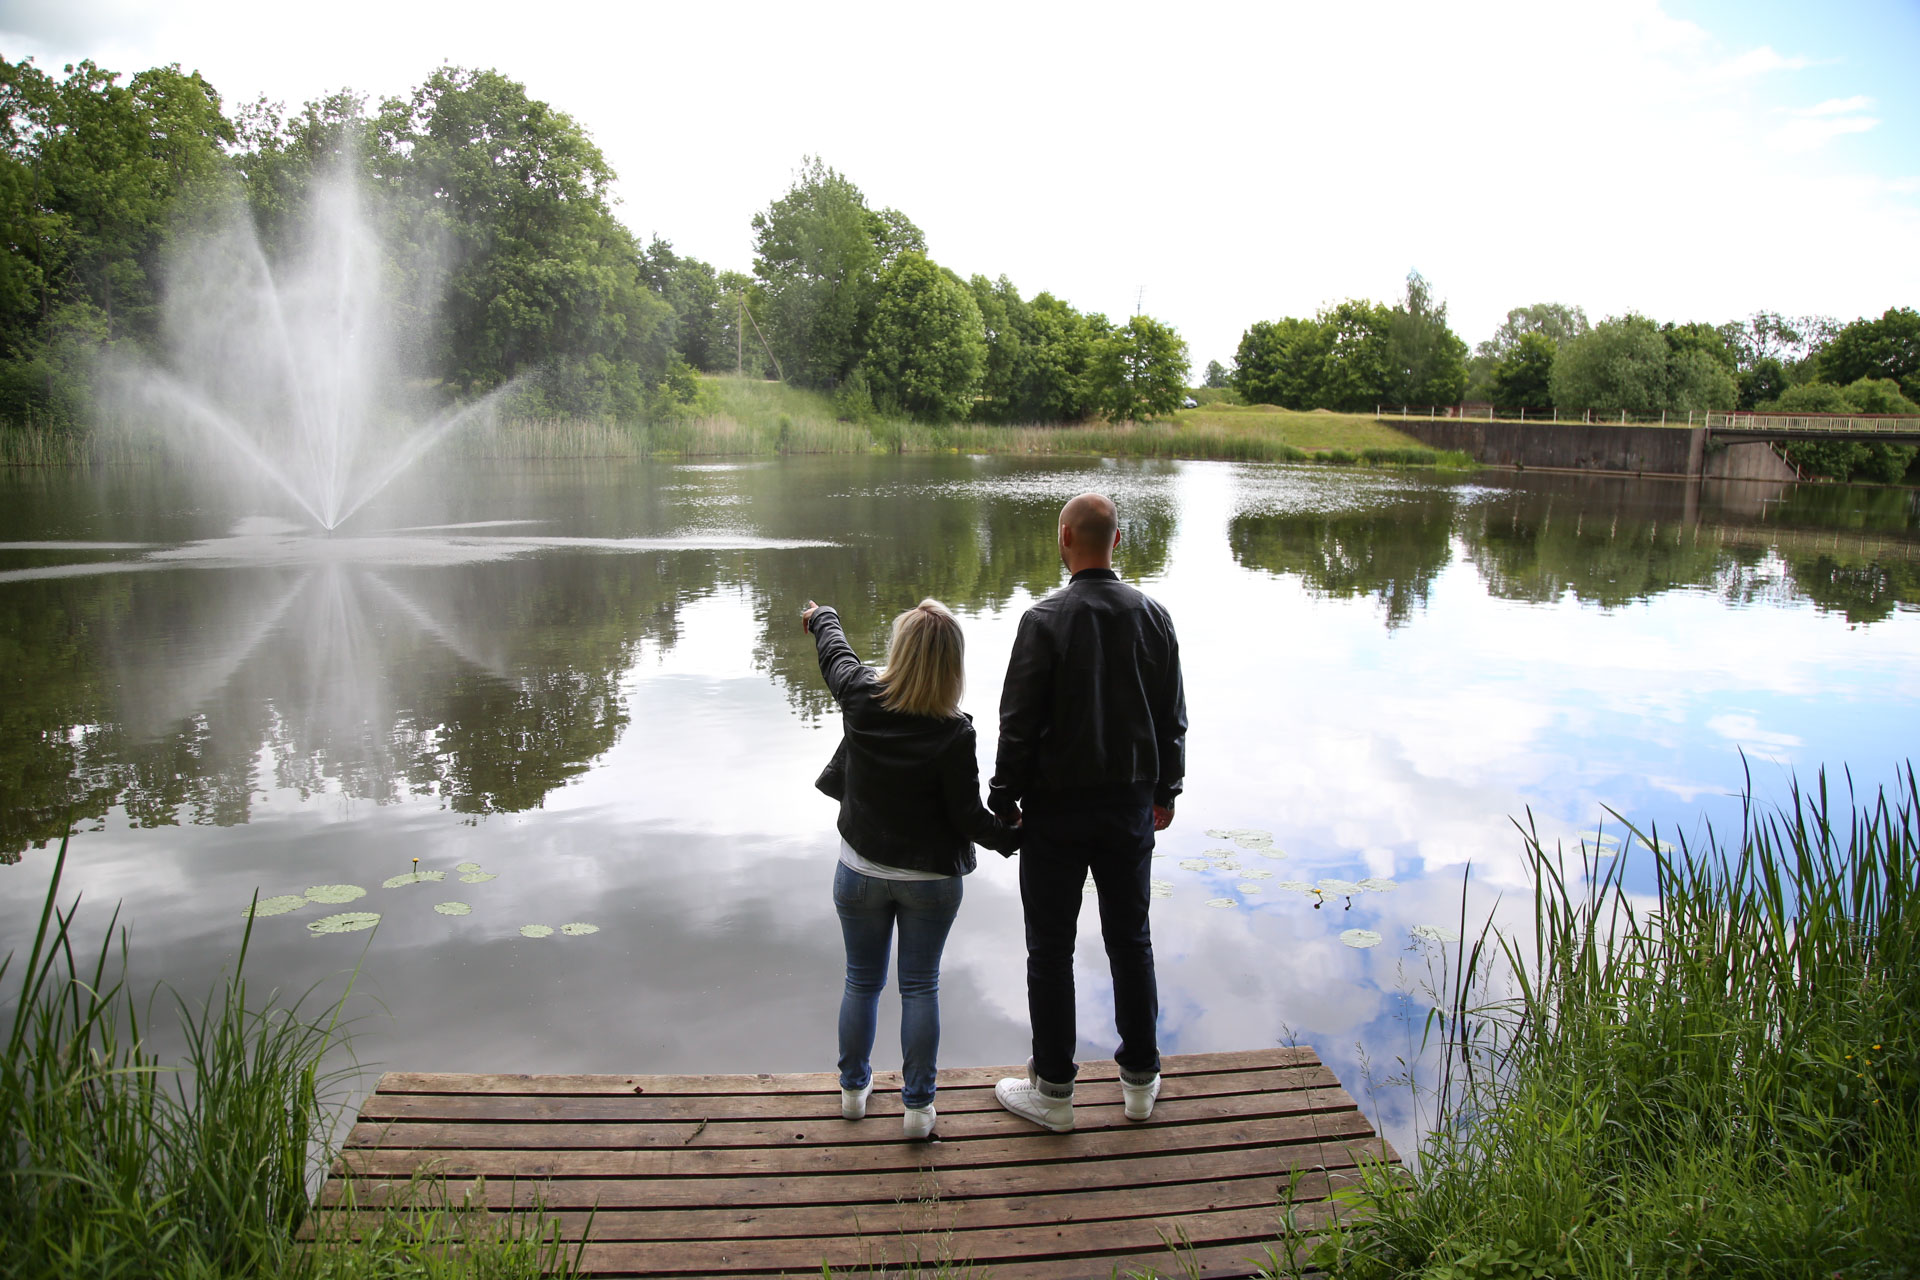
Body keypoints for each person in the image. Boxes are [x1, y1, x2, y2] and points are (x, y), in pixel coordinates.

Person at [988, 492, 1187, 1132]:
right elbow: (1172, 719)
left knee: (1050, 950)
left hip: (1056, 814)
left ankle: (1053, 1092)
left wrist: (1002, 797)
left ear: (1064, 538)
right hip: (1129, 807)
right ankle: (1139, 1081)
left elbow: (1017, 724)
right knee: (1132, 941)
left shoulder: (1043, 620)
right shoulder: (1155, 618)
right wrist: (1167, 792)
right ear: (1117, 541)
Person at [802, 596, 1021, 1141]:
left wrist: (822, 615)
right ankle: (918, 1110)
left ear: (899, 651)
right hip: (930, 883)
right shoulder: (954, 733)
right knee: (919, 988)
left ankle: (853, 1093)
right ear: (953, 665)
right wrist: (1012, 838)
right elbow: (969, 817)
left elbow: (836, 654)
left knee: (861, 981)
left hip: (860, 872)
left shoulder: (860, 697)